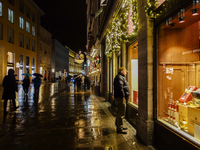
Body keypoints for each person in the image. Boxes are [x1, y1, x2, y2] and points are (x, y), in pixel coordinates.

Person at [114, 67, 130, 134]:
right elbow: (120, 87)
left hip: (120, 97)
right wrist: (122, 96)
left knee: (119, 112)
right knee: (121, 113)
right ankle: (119, 128)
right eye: (125, 71)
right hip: (120, 98)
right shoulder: (119, 77)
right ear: (122, 71)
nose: (126, 72)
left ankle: (119, 125)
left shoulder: (119, 77)